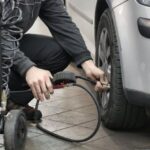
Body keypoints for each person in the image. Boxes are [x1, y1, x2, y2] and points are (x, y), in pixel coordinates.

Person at [6, 0, 108, 121]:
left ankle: (9, 100)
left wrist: (87, 63)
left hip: (8, 42)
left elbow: (62, 23)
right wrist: (28, 68)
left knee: (60, 52)